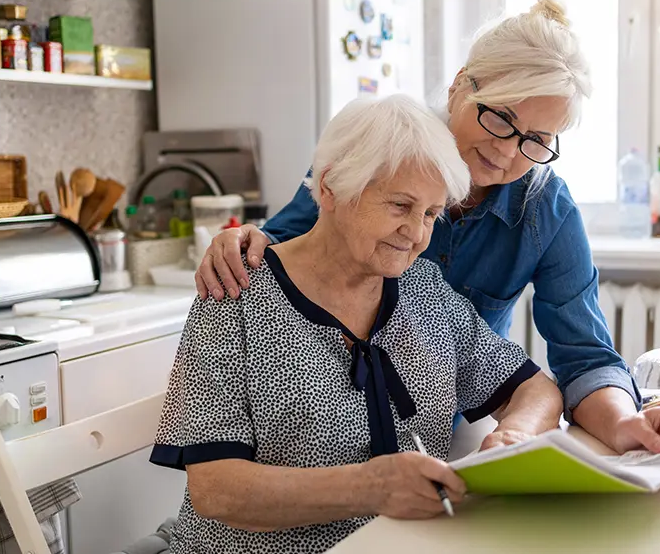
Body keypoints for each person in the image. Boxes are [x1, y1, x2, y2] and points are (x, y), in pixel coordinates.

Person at [193, 0, 660, 454]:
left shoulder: (547, 211)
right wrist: (241, 240)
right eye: (500, 118)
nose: (505, 150)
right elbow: (286, 248)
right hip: (328, 434)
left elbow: (584, 357)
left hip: (449, 430)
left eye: (535, 139)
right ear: (460, 84)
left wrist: (623, 421)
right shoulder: (377, 152)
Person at [151, 95, 563, 553]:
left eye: (430, 214)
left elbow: (536, 389)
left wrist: (516, 434)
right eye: (400, 205)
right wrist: (369, 487)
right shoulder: (236, 293)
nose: (417, 234)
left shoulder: (423, 289)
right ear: (329, 188)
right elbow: (216, 489)